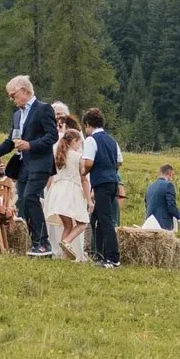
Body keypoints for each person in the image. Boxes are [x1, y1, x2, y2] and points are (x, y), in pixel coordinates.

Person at [4, 76, 56, 255]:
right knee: (25, 200)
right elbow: (10, 141)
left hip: (41, 162)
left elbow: (52, 136)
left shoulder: (43, 109)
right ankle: (36, 243)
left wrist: (30, 145)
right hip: (24, 165)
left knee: (31, 196)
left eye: (13, 95)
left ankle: (43, 242)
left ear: (24, 91)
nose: (12, 99)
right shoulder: (17, 114)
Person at [44, 120, 93, 259]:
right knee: (82, 223)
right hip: (71, 192)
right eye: (79, 143)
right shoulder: (78, 158)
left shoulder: (58, 156)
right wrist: (89, 200)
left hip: (57, 191)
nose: (80, 146)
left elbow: (50, 177)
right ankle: (66, 241)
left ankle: (62, 254)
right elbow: (83, 180)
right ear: (74, 142)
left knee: (67, 226)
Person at [82, 107, 123, 266]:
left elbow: (89, 162)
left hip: (101, 183)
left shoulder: (91, 140)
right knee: (96, 218)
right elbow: (120, 161)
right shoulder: (112, 140)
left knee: (105, 220)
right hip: (113, 181)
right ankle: (100, 254)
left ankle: (113, 257)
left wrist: (83, 172)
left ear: (87, 124)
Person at [143, 163, 180, 231]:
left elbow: (146, 205)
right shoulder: (168, 185)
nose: (171, 179)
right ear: (169, 174)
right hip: (162, 226)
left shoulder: (150, 187)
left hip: (148, 224)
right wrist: (179, 216)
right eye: (172, 176)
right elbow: (171, 206)